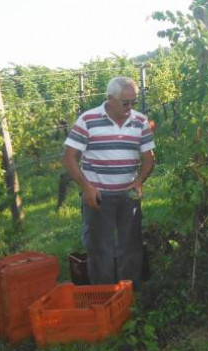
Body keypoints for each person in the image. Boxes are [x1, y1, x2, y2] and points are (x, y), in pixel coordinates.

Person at [62, 76, 155, 287]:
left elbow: (149, 159)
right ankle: (103, 297)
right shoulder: (88, 120)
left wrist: (139, 181)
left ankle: (130, 295)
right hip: (98, 196)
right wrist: (86, 187)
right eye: (125, 103)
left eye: (134, 102)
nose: (130, 107)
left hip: (128, 195)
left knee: (131, 246)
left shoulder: (140, 121)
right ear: (110, 98)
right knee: (99, 248)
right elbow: (69, 157)